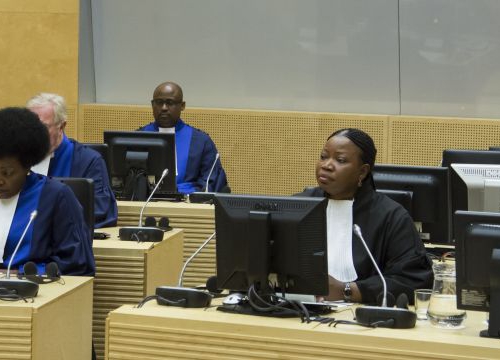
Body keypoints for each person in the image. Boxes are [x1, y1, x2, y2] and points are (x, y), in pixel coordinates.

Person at [297, 128, 433, 304]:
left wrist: (347, 291)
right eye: (323, 156)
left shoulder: (391, 216)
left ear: (362, 172)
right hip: (295, 310)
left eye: (340, 160)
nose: (327, 165)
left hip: (360, 317)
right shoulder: (298, 208)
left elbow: (413, 281)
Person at [0, 107, 95, 276]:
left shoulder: (55, 196)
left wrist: (21, 274)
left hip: (33, 293)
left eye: (7, 173)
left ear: (28, 165)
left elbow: (76, 264)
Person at [26, 93, 118, 228]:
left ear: (62, 126)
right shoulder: (18, 159)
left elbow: (99, 209)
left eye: (42, 128)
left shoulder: (89, 161)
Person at [139, 81, 228, 194]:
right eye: (159, 102)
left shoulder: (201, 141)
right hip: (146, 204)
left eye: (170, 102)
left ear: (182, 106)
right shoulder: (139, 137)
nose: (164, 108)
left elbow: (211, 182)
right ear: (152, 105)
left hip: (188, 204)